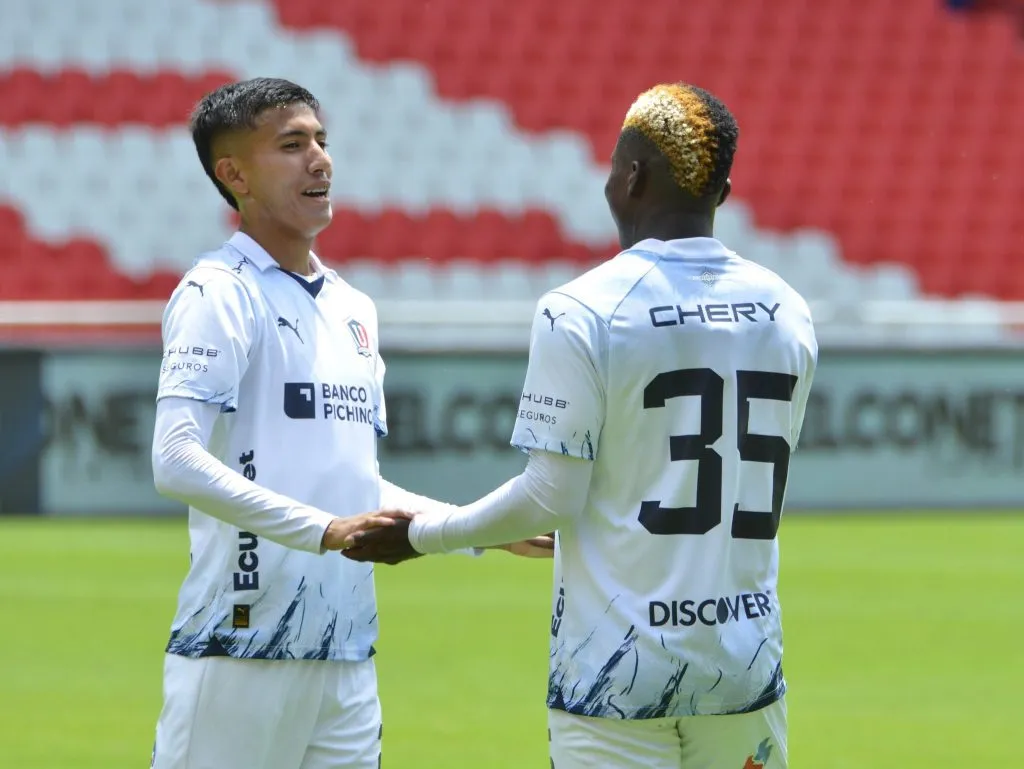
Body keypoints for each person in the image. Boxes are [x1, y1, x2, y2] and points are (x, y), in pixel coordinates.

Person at [344, 82, 818, 769]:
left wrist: (421, 534)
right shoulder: (787, 308)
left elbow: (550, 498)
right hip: (743, 661)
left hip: (613, 673)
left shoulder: (582, 309)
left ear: (631, 177)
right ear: (724, 191)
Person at [148, 77, 551, 769]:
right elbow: (175, 458)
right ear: (234, 174)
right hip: (240, 647)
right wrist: (325, 531)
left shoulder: (353, 308)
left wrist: (482, 528)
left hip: (345, 656)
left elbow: (356, 484)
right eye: (292, 144)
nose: (320, 160)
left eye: (322, 141)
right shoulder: (218, 294)